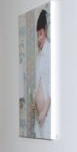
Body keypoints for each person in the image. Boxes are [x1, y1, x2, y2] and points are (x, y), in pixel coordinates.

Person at [32, 9, 52, 138]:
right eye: (37, 34)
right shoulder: (39, 56)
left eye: (41, 33)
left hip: (47, 115)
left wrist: (44, 111)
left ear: (45, 31)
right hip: (38, 118)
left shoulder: (50, 52)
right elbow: (38, 82)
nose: (39, 37)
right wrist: (35, 101)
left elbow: (51, 85)